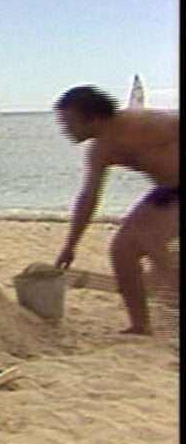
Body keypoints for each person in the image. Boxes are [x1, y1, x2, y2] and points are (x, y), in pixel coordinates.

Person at [52, 85, 179, 335]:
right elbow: (88, 199)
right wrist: (70, 245)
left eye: (69, 122)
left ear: (92, 118)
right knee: (122, 249)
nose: (65, 130)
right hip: (168, 192)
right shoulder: (100, 150)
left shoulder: (145, 123)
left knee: (154, 244)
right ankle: (140, 326)